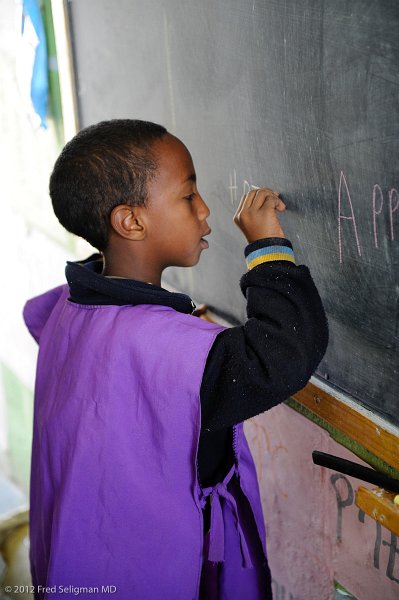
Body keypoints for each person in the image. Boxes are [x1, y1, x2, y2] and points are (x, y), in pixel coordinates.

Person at [23, 119, 328, 600]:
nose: (206, 210)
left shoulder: (69, 305)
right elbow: (284, 351)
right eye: (188, 196)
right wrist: (267, 247)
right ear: (131, 221)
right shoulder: (170, 352)